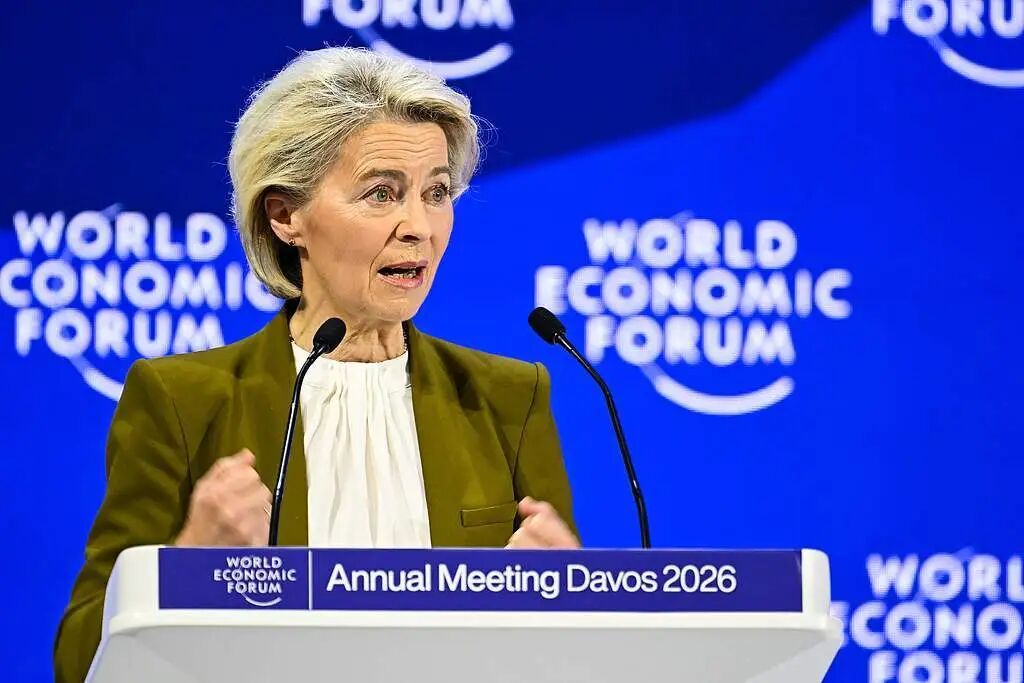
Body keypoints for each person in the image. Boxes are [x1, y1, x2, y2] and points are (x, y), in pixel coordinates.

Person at [54, 46, 578, 683]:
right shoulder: (183, 400)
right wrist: (187, 565)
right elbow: (79, 661)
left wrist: (566, 603)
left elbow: (568, 652)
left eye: (437, 192)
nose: (420, 226)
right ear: (285, 215)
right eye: (381, 193)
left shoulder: (508, 398)